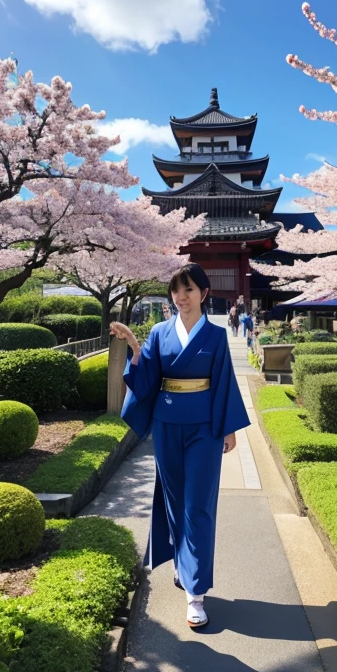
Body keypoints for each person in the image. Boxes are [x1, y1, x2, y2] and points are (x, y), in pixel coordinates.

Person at [110, 263, 250, 630]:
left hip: (204, 429)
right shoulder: (159, 331)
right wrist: (136, 347)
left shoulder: (216, 336)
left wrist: (229, 427)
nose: (180, 297)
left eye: (188, 290)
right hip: (167, 425)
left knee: (197, 505)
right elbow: (148, 379)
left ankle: (196, 593)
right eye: (176, 290)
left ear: (204, 293)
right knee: (174, 501)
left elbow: (224, 383)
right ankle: (183, 563)